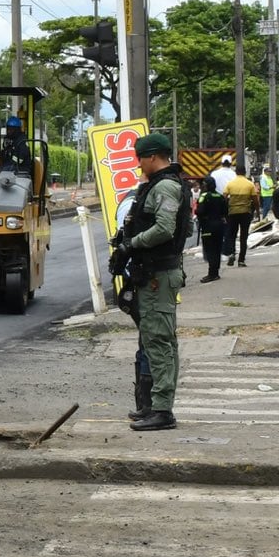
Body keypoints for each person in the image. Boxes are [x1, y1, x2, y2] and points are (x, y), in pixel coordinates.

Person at [113, 132, 188, 431]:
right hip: (153, 274)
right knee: (156, 339)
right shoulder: (157, 186)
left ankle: (162, 410)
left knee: (159, 342)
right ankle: (155, 406)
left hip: (160, 275)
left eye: (140, 158)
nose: (138, 163)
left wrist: (132, 245)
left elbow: (165, 229)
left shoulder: (166, 186)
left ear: (153, 156)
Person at [223, 169, 260, 266]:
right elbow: (255, 200)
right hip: (245, 213)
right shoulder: (249, 184)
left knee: (232, 235)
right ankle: (241, 260)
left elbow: (224, 198)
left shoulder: (230, 184)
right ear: (245, 172)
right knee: (244, 237)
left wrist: (225, 211)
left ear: (236, 172)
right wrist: (258, 212)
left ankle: (232, 253)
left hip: (232, 213)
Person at [195, 175, 228, 282]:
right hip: (219, 226)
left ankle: (211, 274)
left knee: (210, 250)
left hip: (208, 226)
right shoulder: (219, 196)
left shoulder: (204, 196)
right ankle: (216, 273)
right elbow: (225, 211)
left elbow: (199, 211)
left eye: (203, 184)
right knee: (217, 249)